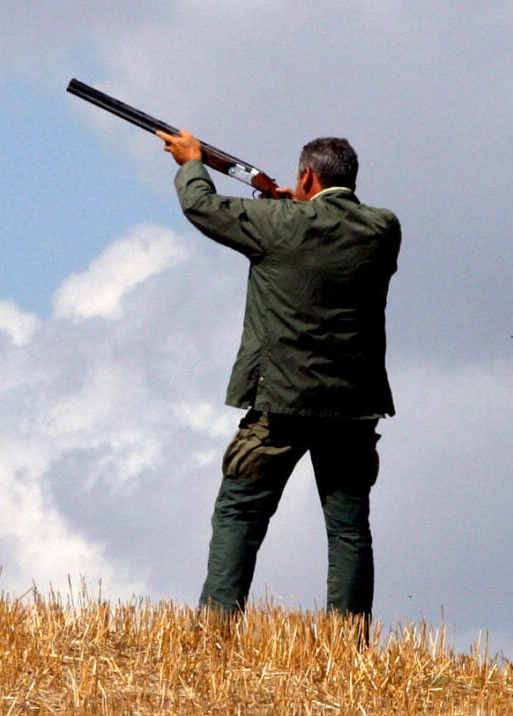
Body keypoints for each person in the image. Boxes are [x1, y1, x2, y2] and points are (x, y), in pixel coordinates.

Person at [157, 128, 401, 631]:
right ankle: (349, 643)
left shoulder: (278, 224)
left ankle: (216, 633)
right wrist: (293, 204)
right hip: (354, 406)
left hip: (280, 401)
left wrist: (190, 162)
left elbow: (203, 208)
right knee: (349, 529)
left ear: (306, 175)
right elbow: (324, 228)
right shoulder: (383, 229)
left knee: (239, 515)